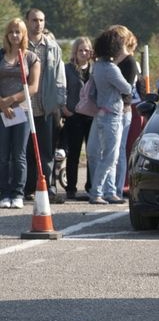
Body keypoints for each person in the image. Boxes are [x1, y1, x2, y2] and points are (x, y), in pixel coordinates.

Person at [24, 8, 66, 203]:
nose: (38, 24)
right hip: (23, 108)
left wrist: (59, 103)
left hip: (45, 108)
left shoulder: (52, 47)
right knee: (25, 151)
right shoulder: (19, 47)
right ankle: (28, 187)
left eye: (41, 20)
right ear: (27, 22)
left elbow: (60, 78)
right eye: (34, 20)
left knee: (46, 151)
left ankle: (48, 187)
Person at [86, 29, 132, 205]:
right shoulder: (111, 69)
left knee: (103, 154)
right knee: (111, 157)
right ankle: (97, 191)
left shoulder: (97, 66)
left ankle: (110, 191)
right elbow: (126, 88)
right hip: (112, 114)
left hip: (100, 113)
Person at [0, 18, 40, 209]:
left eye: (18, 32)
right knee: (3, 155)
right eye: (12, 32)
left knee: (19, 155)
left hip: (22, 112)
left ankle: (17, 193)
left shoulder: (31, 57)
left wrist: (12, 100)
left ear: (24, 34)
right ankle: (4, 193)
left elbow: (33, 87)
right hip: (2, 111)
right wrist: (2, 104)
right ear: (7, 35)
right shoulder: (0, 56)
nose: (15, 35)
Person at [105, 25, 141, 199]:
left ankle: (117, 188)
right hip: (108, 110)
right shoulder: (111, 60)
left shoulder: (130, 62)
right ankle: (108, 187)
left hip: (122, 111)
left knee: (118, 150)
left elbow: (127, 89)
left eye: (116, 37)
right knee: (108, 151)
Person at [61, 37, 93, 200]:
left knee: (91, 153)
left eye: (86, 50)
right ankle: (71, 187)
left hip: (92, 116)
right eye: (80, 50)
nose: (83, 53)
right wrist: (65, 109)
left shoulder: (95, 69)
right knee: (73, 154)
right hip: (74, 115)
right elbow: (62, 89)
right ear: (75, 51)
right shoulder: (67, 69)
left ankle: (90, 187)